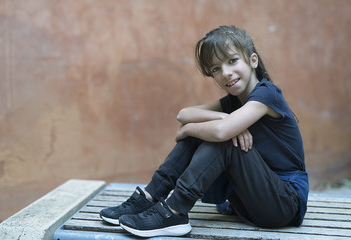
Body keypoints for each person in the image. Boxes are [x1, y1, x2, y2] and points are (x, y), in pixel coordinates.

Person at [99, 25, 309, 238]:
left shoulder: (267, 94)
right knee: (210, 133)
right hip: (249, 201)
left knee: (224, 139)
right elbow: (184, 114)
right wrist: (222, 118)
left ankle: (175, 211)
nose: (225, 73)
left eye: (232, 61)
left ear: (252, 60)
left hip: (283, 204)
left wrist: (192, 129)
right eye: (216, 69)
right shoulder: (232, 103)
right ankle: (150, 196)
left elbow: (219, 132)